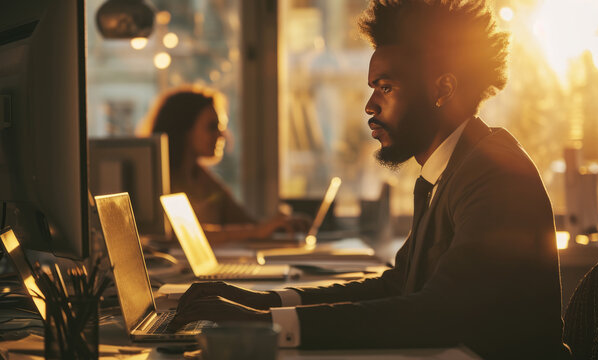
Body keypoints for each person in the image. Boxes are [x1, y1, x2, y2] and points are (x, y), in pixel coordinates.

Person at [168, 1, 571, 358]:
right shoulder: (448, 169)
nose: (369, 105)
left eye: (386, 87)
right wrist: (264, 302)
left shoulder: (493, 174)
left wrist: (266, 323)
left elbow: (441, 312)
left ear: (443, 89)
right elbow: (399, 287)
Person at [139, 85, 308, 243]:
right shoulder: (157, 181)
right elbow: (177, 236)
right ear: (184, 130)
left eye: (220, 127)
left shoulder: (203, 178)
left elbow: (247, 222)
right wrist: (257, 231)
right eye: (212, 127)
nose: (222, 135)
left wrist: (279, 225)